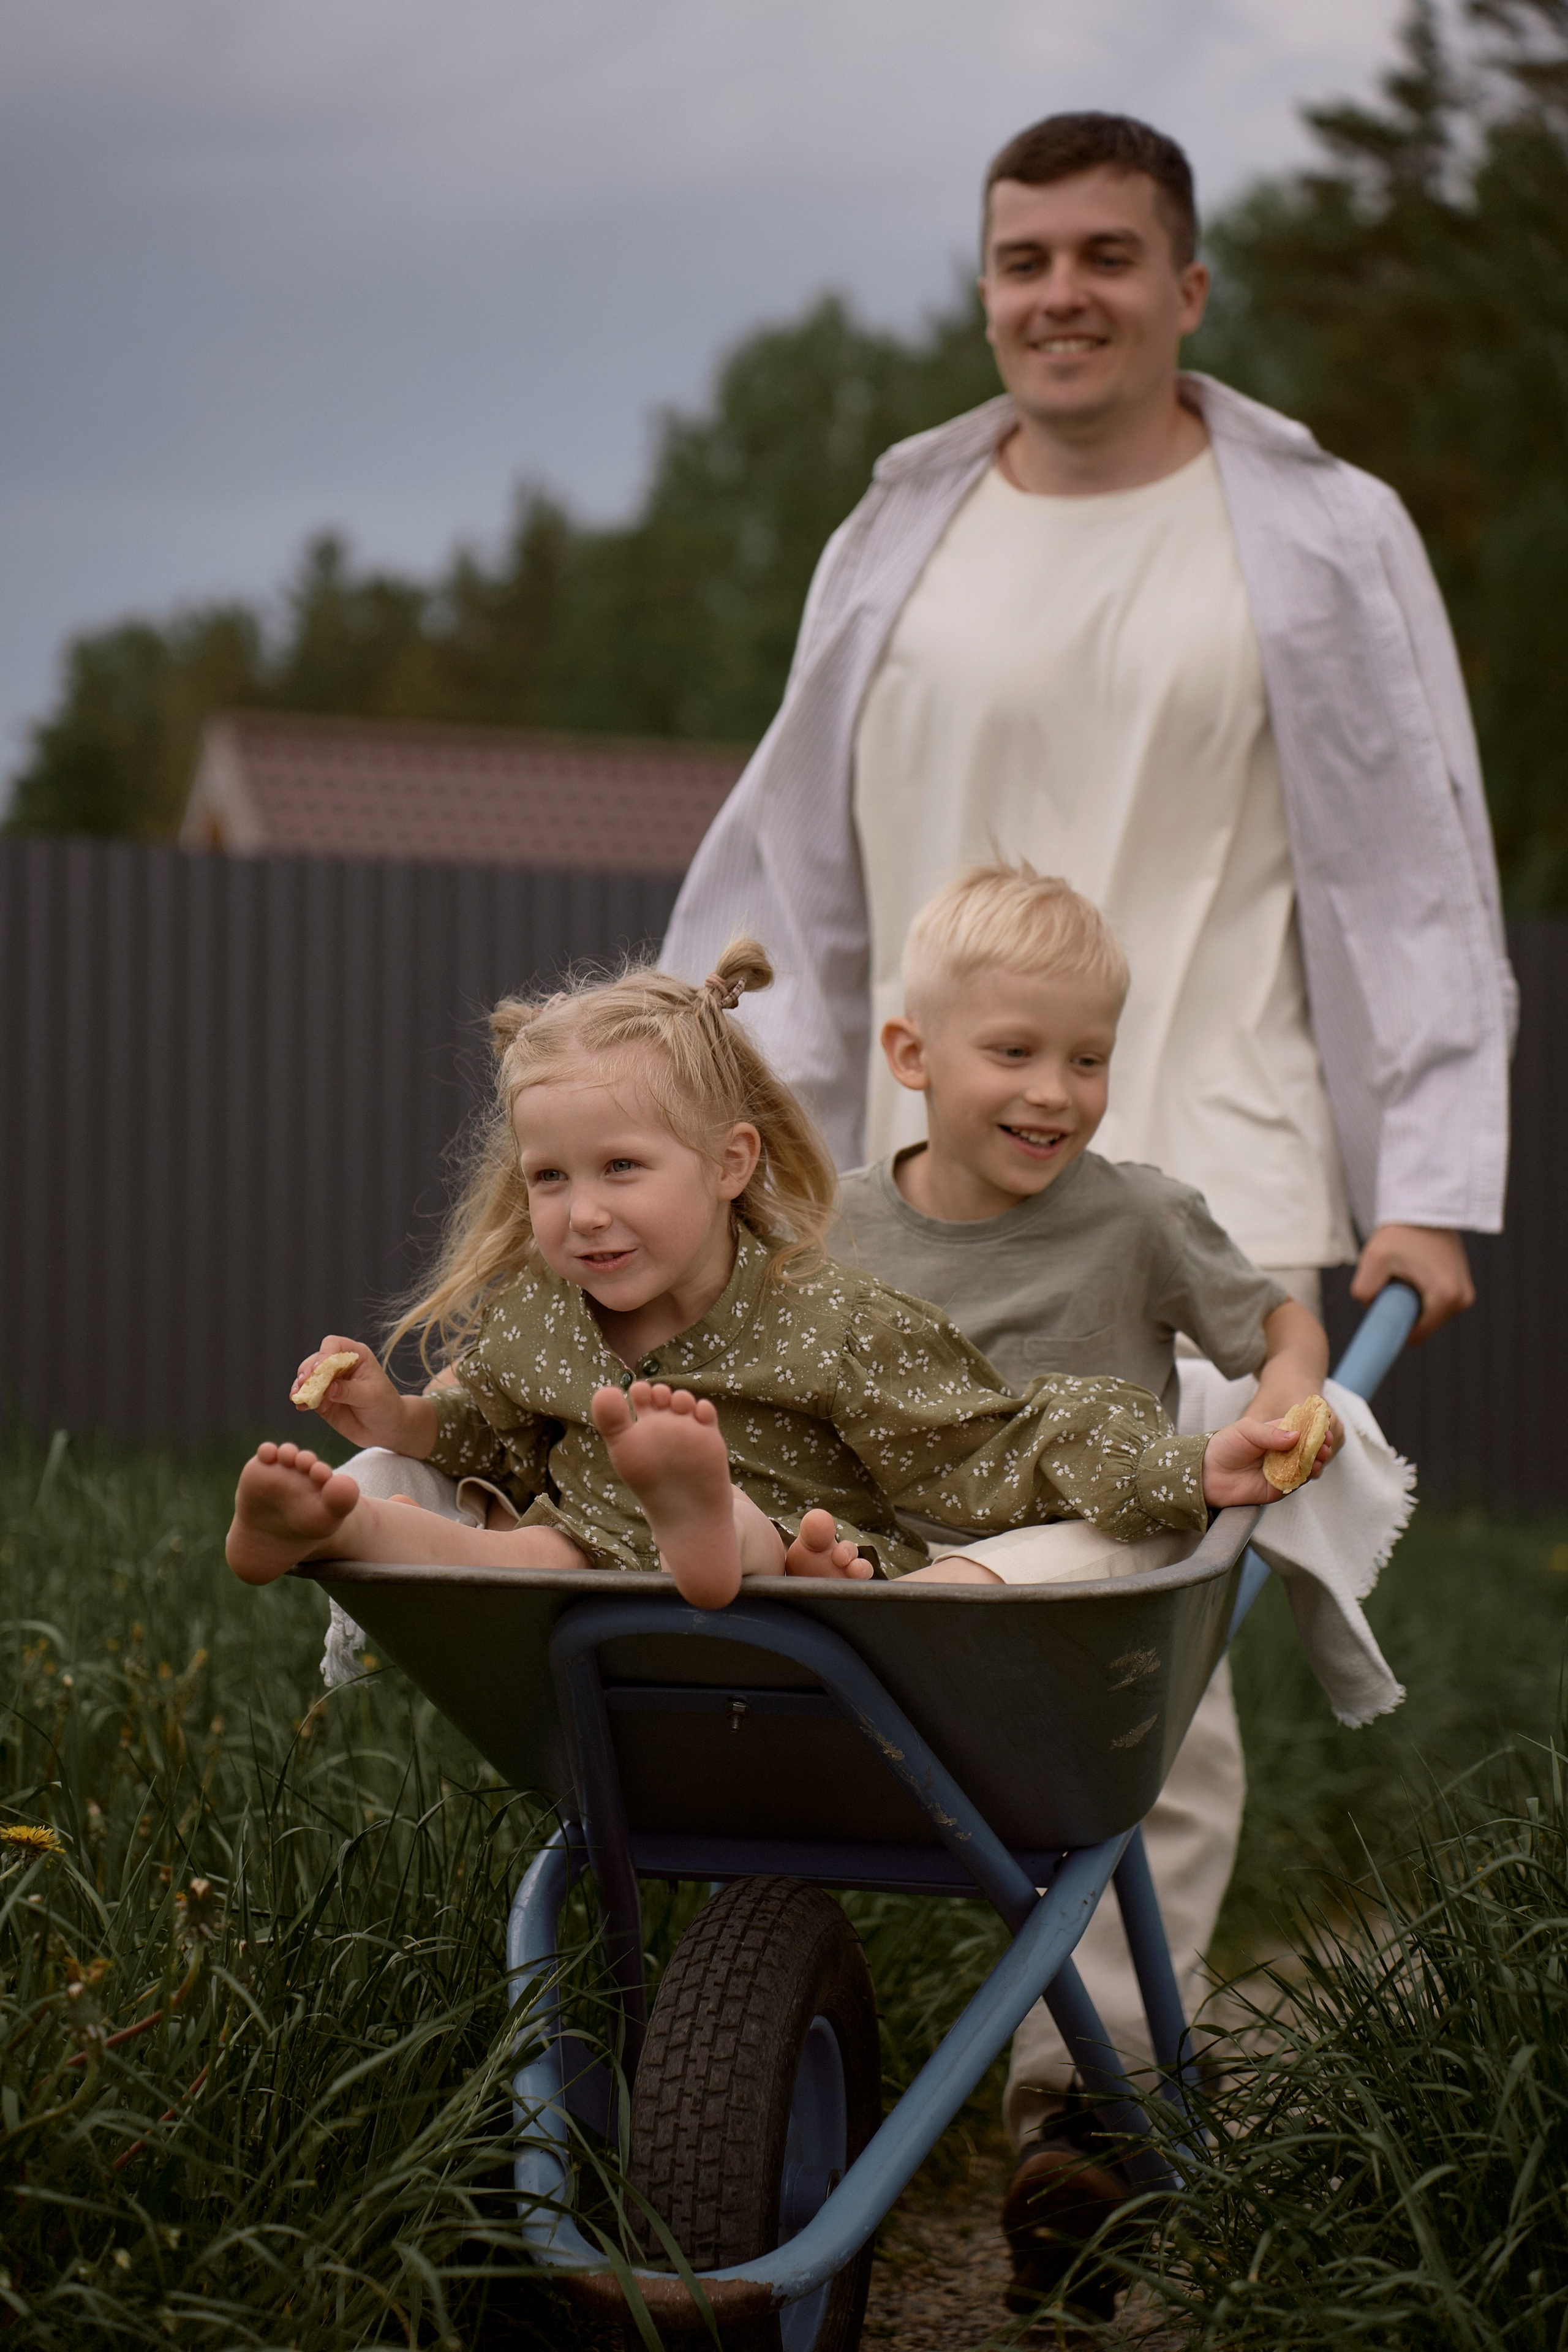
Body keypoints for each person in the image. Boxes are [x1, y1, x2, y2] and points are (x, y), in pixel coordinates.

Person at [662, 105, 1510, 2309]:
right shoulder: (904, 530)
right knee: (815, 1565)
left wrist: (1430, 1181)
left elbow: (1420, 854)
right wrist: (705, 1093)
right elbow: (785, 847)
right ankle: (781, 1996)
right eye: (1026, 256)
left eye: (1110, 256)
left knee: (1147, 1626)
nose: (1064, 292)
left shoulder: (1313, 532)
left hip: (1201, 1111)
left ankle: (1091, 2107)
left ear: (1189, 288)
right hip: (905, 1153)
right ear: (986, 286)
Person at [828, 859, 1359, 2312]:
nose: (1053, 1092)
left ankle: (1082, 2121)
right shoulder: (835, 1232)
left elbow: (1273, 1323)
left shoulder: (1133, 1220)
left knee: (1163, 1776)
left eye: (1086, 1059)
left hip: (1079, 1576)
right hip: (886, 1585)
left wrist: (1289, 1400)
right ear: (910, 1055)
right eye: (1013, 1053)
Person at [225, 942, 1319, 1607]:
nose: (583, 1211)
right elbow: (497, 1437)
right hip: (590, 1564)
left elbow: (989, 1443)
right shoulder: (540, 1323)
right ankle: (334, 1533)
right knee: (504, 1552)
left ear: (728, 1164)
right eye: (549, 1178)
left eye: (621, 1169)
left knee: (749, 1540)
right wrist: (400, 1424)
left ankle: (708, 1519)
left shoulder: (827, 1319)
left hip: (801, 1569)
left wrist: (1188, 1470)